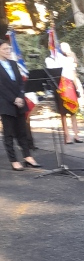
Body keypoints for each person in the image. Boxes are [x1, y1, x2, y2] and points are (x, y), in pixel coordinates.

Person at [0, 39, 42, 171]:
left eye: (9, 49)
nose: (8, 51)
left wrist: (20, 96)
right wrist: (14, 99)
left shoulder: (13, 63)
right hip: (6, 103)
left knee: (22, 131)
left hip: (19, 101)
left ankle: (27, 156)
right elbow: (1, 87)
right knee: (9, 133)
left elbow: (21, 82)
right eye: (5, 49)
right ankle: (13, 160)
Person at [45, 43, 83, 144]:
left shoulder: (67, 58)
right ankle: (67, 136)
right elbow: (53, 72)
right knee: (63, 113)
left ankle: (76, 135)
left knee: (73, 111)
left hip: (70, 85)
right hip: (59, 86)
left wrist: (77, 86)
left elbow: (73, 71)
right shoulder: (49, 59)